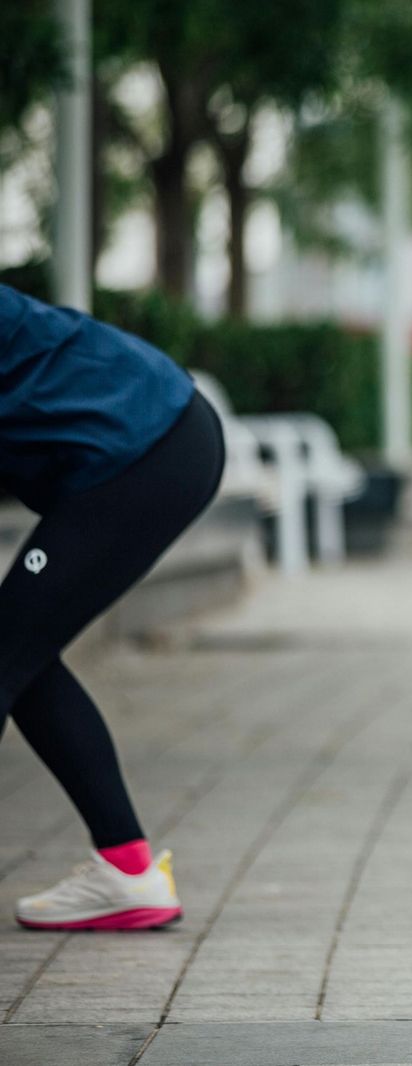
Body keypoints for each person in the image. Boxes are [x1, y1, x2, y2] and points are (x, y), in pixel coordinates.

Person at [1, 283, 226, 930]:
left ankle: (130, 873)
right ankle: (128, 871)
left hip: (148, 449)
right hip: (154, 444)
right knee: (21, 651)